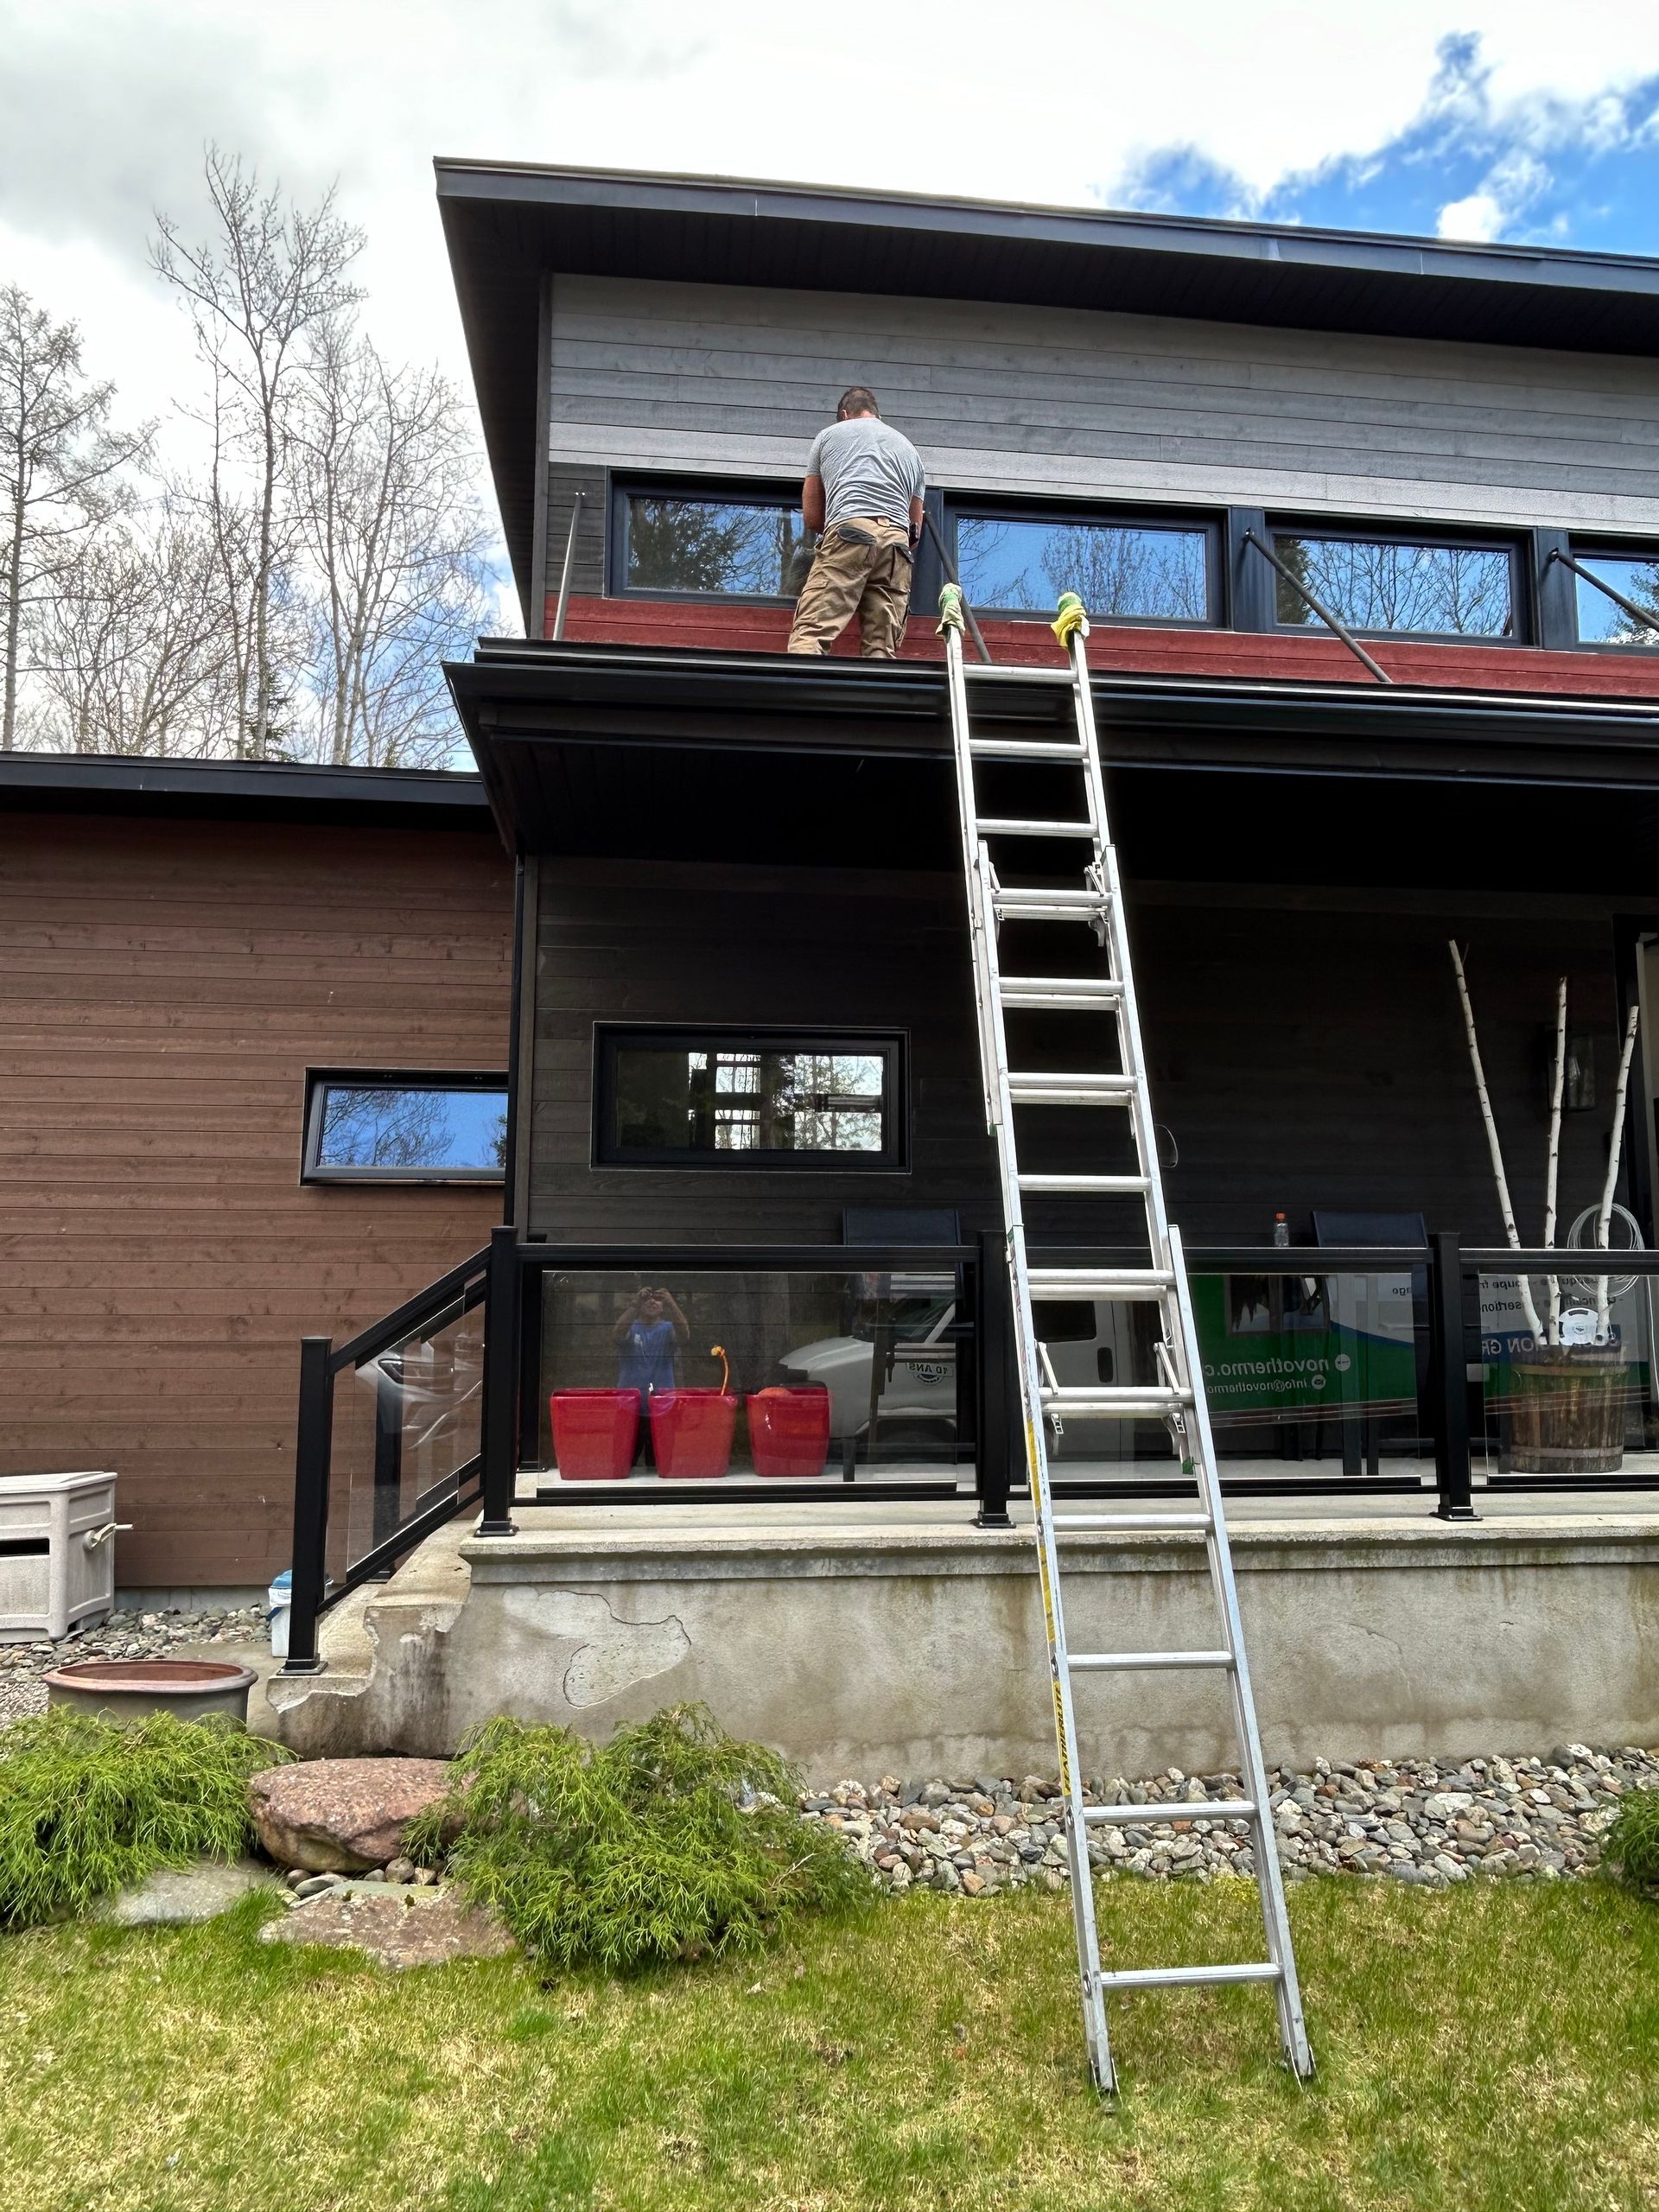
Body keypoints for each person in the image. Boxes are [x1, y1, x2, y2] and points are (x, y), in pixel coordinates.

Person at [786, 387, 925, 659]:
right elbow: (914, 532)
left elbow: (814, 517)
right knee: (881, 649)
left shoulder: (829, 436)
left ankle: (799, 697)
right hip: (897, 545)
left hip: (850, 530)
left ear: (844, 414)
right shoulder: (911, 451)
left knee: (811, 634)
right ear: (877, 415)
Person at [614, 1285, 690, 1469]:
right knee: (624, 1464)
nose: (651, 1301)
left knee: (659, 1465)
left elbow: (684, 1336)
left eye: (657, 1298)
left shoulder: (668, 1328)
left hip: (662, 1408)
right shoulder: (630, 1328)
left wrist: (671, 1302)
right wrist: (634, 1304)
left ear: (663, 1305)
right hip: (629, 1408)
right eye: (646, 1298)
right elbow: (617, 1334)